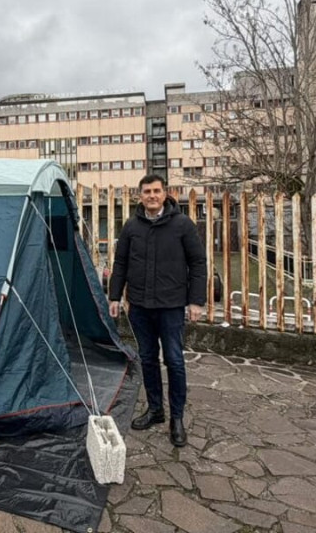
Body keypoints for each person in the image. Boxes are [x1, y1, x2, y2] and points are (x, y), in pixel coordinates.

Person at [108, 174, 207, 447]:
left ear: (165, 194)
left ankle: (177, 418)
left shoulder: (182, 225)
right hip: (139, 306)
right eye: (147, 192)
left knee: (174, 360)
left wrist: (196, 301)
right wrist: (114, 296)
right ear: (140, 196)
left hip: (171, 306)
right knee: (147, 359)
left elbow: (198, 263)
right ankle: (155, 410)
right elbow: (121, 263)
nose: (151, 196)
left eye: (156, 191)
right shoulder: (131, 227)